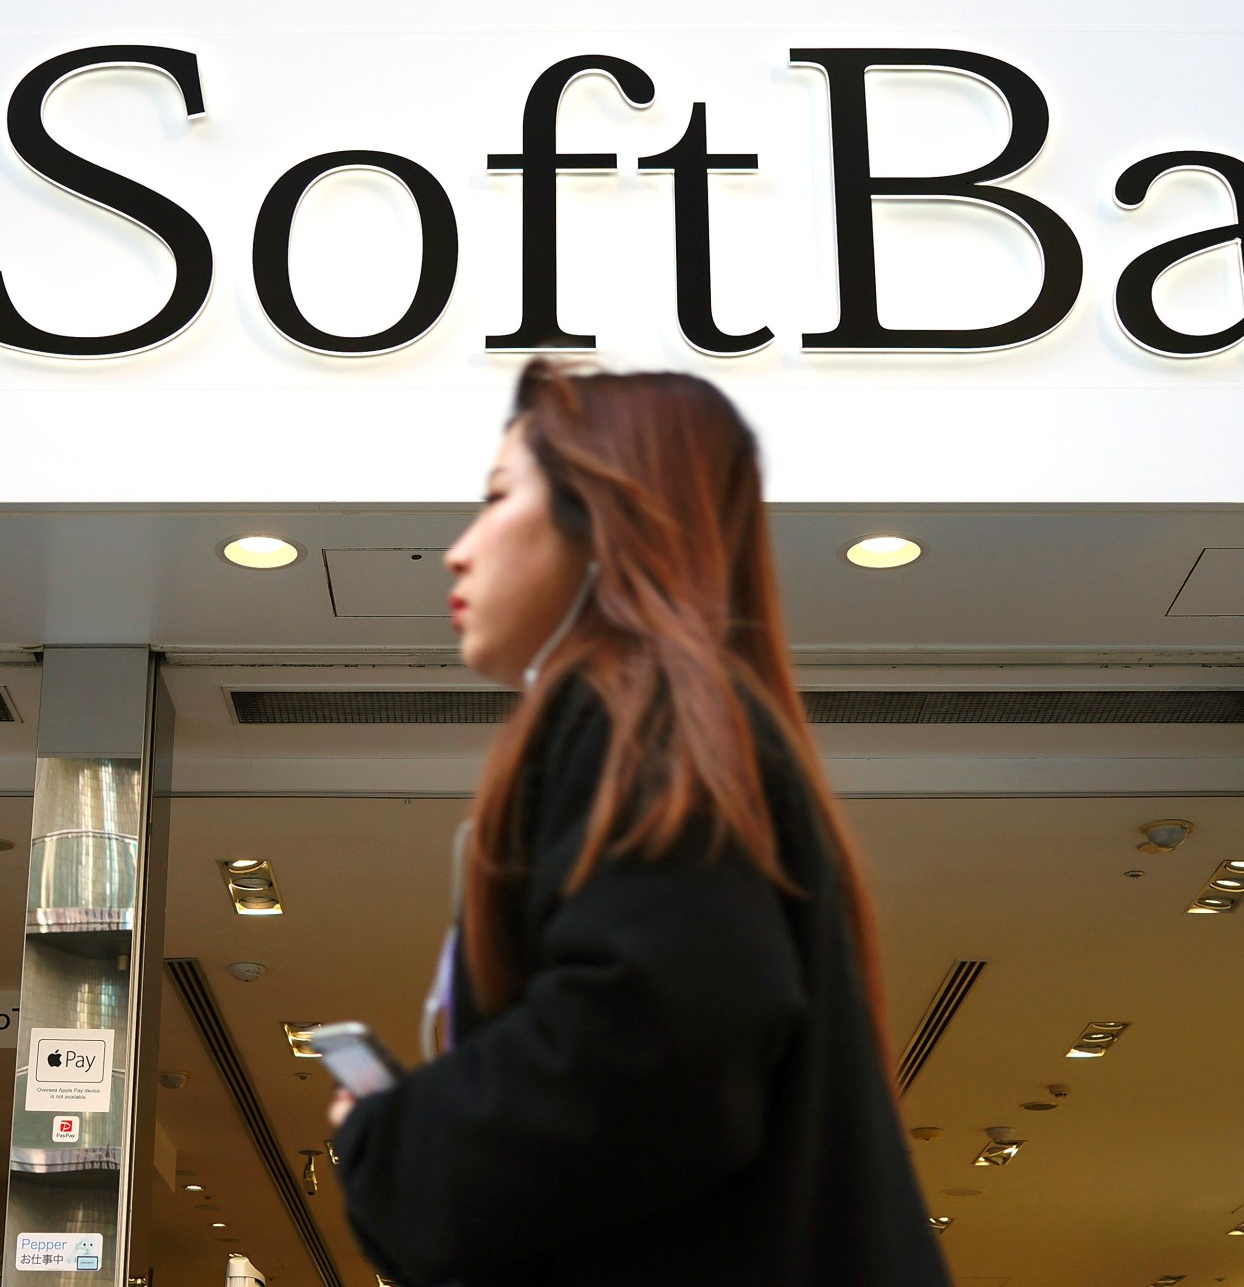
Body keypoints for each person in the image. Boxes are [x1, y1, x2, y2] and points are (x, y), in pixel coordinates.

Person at [327, 360, 950, 1287]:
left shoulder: (640, 706)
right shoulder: (688, 715)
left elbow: (646, 1047)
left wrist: (393, 1141)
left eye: (497, 498)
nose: (457, 551)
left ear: (601, 517)